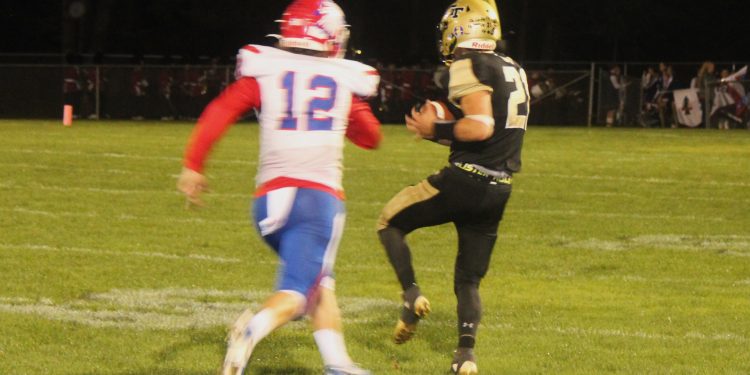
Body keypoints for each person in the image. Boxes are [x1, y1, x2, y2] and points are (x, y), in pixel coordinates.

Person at [176, 1, 381, 374]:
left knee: (321, 279)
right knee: (298, 293)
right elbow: (371, 138)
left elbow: (220, 111)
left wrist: (193, 165)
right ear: (330, 36)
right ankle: (251, 331)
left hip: (268, 204)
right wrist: (347, 116)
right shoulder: (342, 79)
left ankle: (338, 363)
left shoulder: (265, 71)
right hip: (316, 200)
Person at [376, 1, 530, 374]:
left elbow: (479, 127)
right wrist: (443, 136)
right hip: (499, 187)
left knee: (389, 222)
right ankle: (465, 356)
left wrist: (436, 129)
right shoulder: (514, 68)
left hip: (465, 180)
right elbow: (488, 134)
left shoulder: (466, 63)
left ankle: (411, 295)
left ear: (459, 28)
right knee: (468, 279)